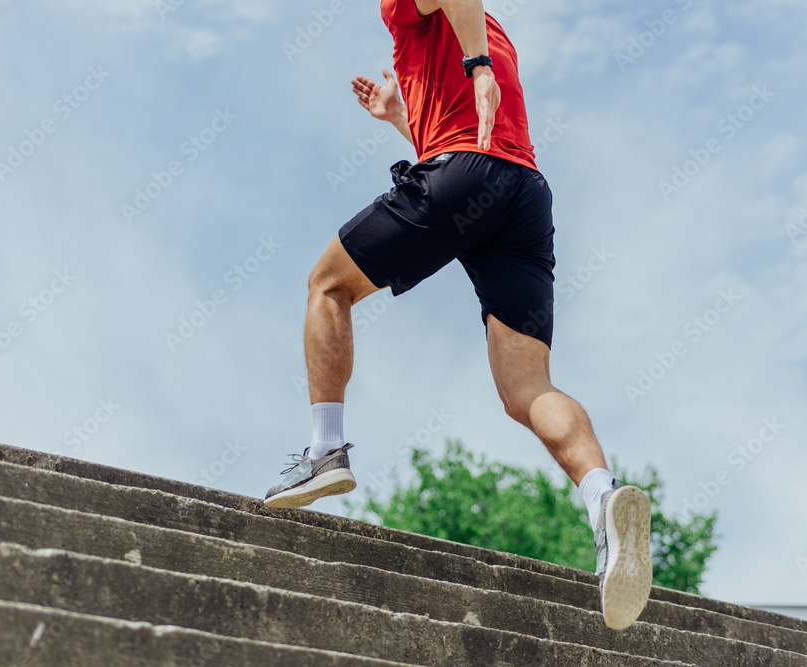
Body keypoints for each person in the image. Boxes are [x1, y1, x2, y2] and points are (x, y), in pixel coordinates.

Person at [264, 0, 653, 630]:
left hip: (466, 173)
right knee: (527, 388)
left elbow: (459, 132)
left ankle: (324, 451)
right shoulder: (488, 30)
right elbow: (460, 127)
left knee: (326, 286)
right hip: (523, 192)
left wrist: (475, 68)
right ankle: (602, 501)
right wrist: (401, 113)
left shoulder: (417, 14)